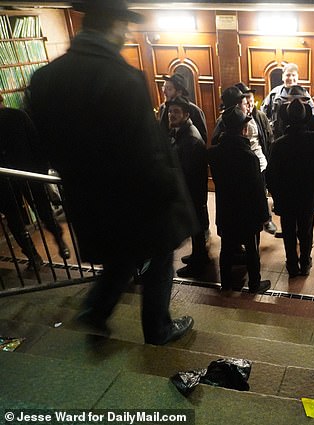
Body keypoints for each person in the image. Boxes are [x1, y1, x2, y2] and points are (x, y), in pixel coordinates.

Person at [27, 0, 196, 345]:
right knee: (159, 258)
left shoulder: (45, 79)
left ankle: (95, 313)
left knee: (120, 258)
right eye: (125, 25)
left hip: (86, 199)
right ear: (114, 26)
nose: (127, 32)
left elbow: (41, 145)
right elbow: (146, 151)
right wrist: (171, 194)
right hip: (135, 198)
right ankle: (158, 329)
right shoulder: (123, 78)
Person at [0, 94, 70, 269]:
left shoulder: (18, 116)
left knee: (14, 219)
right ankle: (59, 240)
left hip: (5, 179)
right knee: (43, 209)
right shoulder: (18, 116)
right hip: (29, 172)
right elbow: (36, 143)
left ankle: (33, 256)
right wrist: (41, 171)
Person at [208, 106, 271, 294]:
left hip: (226, 208)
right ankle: (254, 284)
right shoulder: (249, 156)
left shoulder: (214, 153)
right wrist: (263, 215)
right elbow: (257, 190)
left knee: (226, 247)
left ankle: (225, 283)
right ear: (243, 129)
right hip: (247, 211)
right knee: (252, 247)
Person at [267, 99, 314, 277]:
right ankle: (305, 262)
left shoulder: (278, 144)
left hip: (286, 197)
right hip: (308, 195)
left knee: (289, 232)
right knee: (307, 231)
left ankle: (292, 264)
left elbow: (271, 175)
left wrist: (276, 196)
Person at [211, 86, 277, 235]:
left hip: (258, 161)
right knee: (246, 203)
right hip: (244, 164)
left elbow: (265, 137)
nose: (248, 103)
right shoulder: (226, 121)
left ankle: (263, 220)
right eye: (244, 101)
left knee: (260, 193)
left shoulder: (256, 115)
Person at [166, 96, 210, 278]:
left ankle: (199, 263)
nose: (171, 115)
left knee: (196, 227)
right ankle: (199, 256)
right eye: (170, 111)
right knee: (196, 228)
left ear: (186, 114)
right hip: (191, 192)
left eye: (176, 112)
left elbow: (187, 171)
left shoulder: (190, 138)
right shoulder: (183, 132)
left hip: (192, 193)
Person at [261, 63, 314, 138]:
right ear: (282, 77)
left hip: (301, 136)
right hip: (278, 136)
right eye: (288, 75)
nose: (290, 78)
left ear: (297, 77)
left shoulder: (305, 95)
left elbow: (313, 116)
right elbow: (263, 114)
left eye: (293, 75)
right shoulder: (274, 94)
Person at [158, 73, 208, 144]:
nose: (164, 92)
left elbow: (201, 140)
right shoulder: (162, 108)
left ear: (179, 92)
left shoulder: (194, 110)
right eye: (164, 88)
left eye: (169, 89)